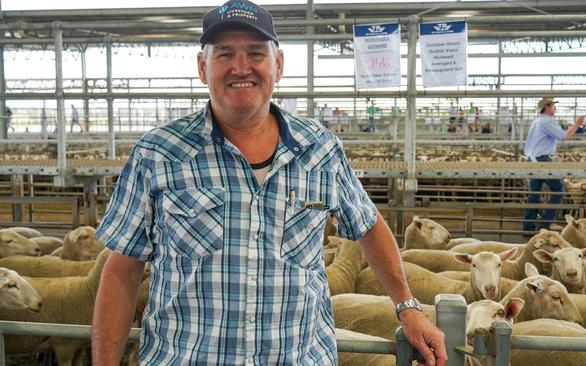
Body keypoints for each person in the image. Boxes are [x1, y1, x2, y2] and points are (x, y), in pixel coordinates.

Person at [91, 1, 447, 365]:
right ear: (202, 67)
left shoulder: (320, 149)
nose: (240, 67)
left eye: (256, 53)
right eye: (224, 53)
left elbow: (369, 226)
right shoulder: (158, 153)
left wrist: (408, 307)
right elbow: (122, 270)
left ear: (278, 65)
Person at [522, 97, 584, 233]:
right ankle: (545, 224)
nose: (555, 108)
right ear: (547, 107)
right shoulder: (547, 121)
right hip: (543, 160)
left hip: (533, 160)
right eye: (553, 106)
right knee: (558, 190)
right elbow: (564, 136)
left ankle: (528, 227)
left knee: (534, 193)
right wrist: (577, 124)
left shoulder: (537, 121)